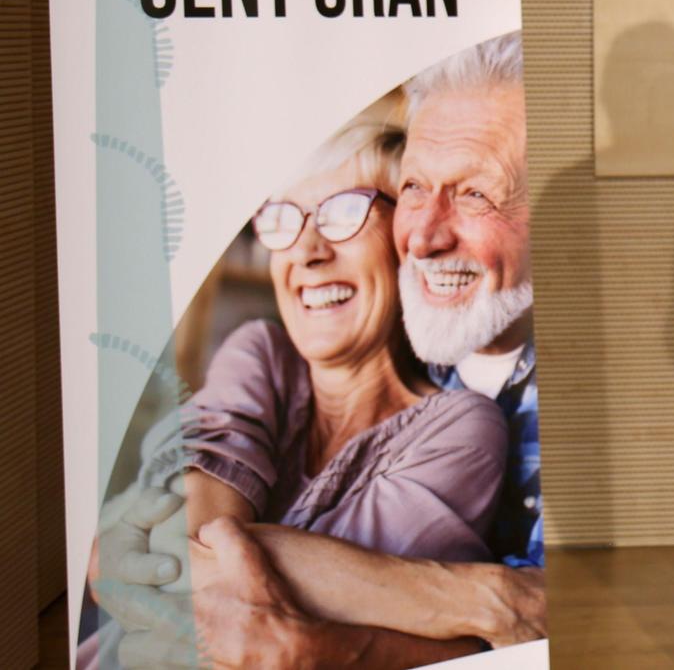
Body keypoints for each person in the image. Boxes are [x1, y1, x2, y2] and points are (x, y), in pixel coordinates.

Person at [95, 33, 548, 668]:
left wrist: (149, 544)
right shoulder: (269, 353)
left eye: (474, 192)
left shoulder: (467, 415)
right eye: (416, 188)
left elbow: (552, 629)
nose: (425, 235)